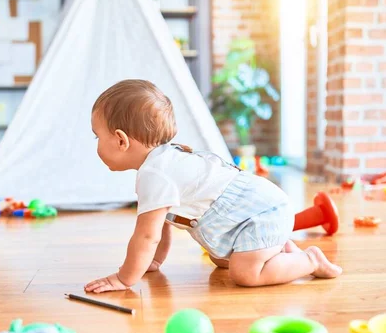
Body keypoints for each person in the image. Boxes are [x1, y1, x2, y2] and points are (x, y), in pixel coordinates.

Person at [85, 79, 342, 294]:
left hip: (263, 213)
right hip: (254, 213)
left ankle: (309, 260)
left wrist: (124, 278)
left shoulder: (155, 174)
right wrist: (154, 260)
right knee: (221, 260)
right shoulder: (162, 163)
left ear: (121, 140)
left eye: (98, 136)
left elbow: (146, 236)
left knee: (245, 273)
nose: (96, 144)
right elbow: (161, 225)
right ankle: (281, 249)